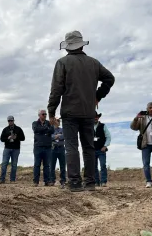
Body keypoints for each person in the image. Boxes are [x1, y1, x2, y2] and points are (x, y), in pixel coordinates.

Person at [47, 30, 115, 192]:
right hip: (88, 112)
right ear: (81, 45)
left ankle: (75, 183)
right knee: (88, 147)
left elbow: (56, 89)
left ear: (68, 46)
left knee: (71, 147)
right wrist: (97, 96)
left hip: (70, 112)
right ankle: (90, 183)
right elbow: (110, 79)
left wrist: (51, 112)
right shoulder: (94, 63)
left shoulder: (62, 63)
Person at [0, 115, 25, 184]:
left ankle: (12, 180)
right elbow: (1, 139)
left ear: (13, 120)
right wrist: (8, 138)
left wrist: (16, 137)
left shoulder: (18, 129)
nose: (10, 122)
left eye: (11, 120)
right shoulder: (5, 129)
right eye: (9, 121)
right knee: (4, 163)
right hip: (7, 148)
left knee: (14, 165)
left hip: (16, 149)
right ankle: (2, 179)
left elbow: (23, 138)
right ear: (8, 121)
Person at [32, 110, 55, 187]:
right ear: (39, 115)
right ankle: (36, 182)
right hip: (38, 147)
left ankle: (47, 181)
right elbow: (36, 129)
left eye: (45, 114)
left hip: (47, 147)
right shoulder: (35, 123)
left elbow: (52, 130)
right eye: (43, 114)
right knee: (37, 165)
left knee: (47, 165)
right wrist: (46, 129)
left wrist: (43, 129)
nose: (45, 115)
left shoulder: (48, 123)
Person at [94, 111, 111, 187]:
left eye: (97, 116)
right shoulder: (88, 126)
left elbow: (108, 136)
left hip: (101, 150)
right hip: (92, 150)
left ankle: (103, 181)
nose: (95, 118)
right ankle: (96, 182)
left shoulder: (103, 126)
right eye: (94, 117)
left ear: (98, 117)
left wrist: (105, 146)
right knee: (94, 167)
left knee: (103, 165)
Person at [50, 118, 66, 189]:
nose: (59, 122)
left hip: (61, 148)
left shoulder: (62, 129)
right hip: (53, 149)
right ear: (54, 122)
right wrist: (58, 136)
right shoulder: (51, 129)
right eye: (57, 121)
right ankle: (52, 180)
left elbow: (64, 136)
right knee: (52, 165)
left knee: (62, 165)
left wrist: (56, 136)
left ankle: (63, 181)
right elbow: (50, 137)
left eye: (59, 121)